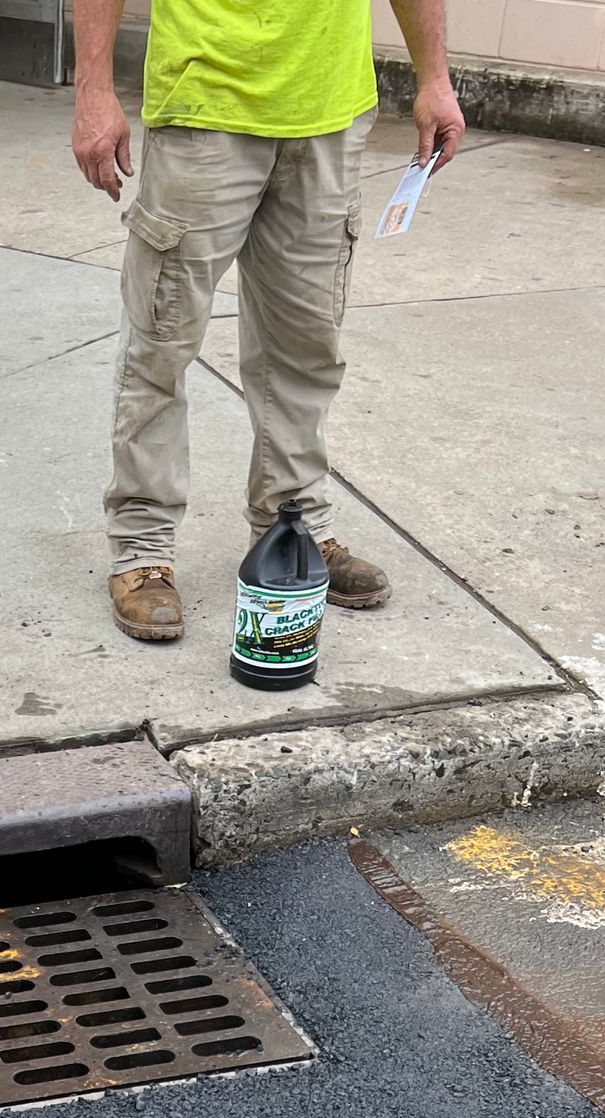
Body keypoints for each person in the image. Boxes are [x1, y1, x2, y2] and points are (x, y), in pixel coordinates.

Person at [71, 0, 463, 645]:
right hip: (205, 107)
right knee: (161, 343)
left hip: (330, 115)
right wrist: (93, 92)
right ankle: (142, 550)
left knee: (305, 348)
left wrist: (435, 80)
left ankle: (293, 525)